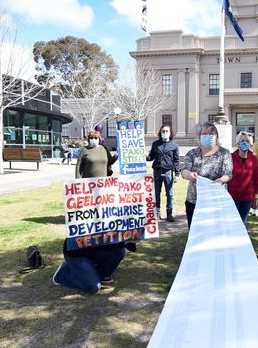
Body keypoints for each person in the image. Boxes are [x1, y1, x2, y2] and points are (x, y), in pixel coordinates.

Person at [53, 130, 130, 293]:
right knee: (93, 288)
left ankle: (97, 272)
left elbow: (110, 163)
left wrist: (133, 237)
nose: (94, 140)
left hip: (102, 187)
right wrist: (78, 189)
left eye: (96, 138)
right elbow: (78, 170)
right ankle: (63, 274)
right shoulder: (84, 151)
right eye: (92, 138)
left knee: (119, 251)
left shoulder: (103, 149)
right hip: (87, 191)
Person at [182, 122, 233, 228]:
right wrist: (189, 174)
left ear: (216, 136)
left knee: (216, 230)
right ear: (200, 136)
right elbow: (184, 171)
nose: (208, 136)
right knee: (195, 230)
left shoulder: (224, 153)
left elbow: (228, 174)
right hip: (194, 200)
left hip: (217, 200)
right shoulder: (192, 153)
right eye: (204, 134)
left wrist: (221, 180)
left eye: (211, 134)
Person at [227, 132, 258, 223]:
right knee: (233, 222)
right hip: (232, 197)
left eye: (247, 141)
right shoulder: (231, 157)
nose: (245, 143)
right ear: (237, 143)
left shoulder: (254, 159)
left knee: (242, 223)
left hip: (247, 198)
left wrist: (256, 194)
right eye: (242, 140)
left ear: (250, 143)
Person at [147, 125, 180, 222]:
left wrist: (177, 174)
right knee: (156, 193)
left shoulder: (174, 145)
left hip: (168, 173)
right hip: (156, 172)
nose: (165, 133)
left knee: (169, 194)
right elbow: (151, 157)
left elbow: (176, 161)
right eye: (163, 131)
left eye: (167, 131)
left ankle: (169, 213)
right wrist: (145, 155)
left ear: (170, 133)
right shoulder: (155, 144)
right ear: (160, 132)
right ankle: (157, 214)